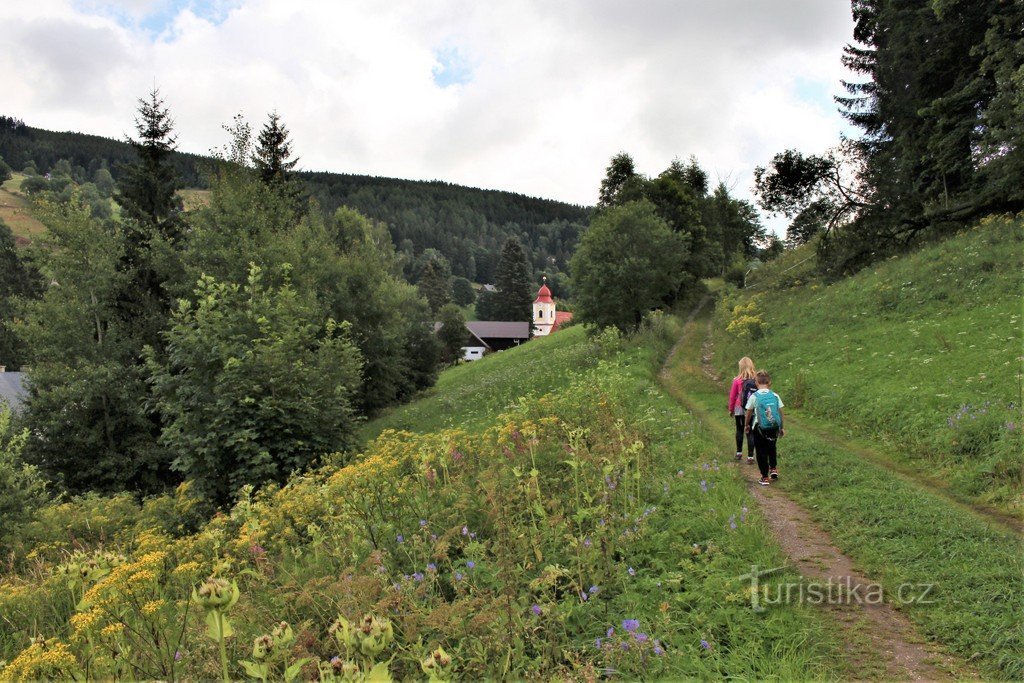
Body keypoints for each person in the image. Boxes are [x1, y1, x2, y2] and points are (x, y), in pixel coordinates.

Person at [745, 370, 785, 486]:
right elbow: (780, 413)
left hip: (759, 428)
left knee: (761, 451)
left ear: (756, 382)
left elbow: (748, 412)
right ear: (769, 382)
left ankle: (764, 477)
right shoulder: (775, 395)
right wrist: (781, 427)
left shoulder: (754, 396)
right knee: (772, 447)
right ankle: (773, 469)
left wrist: (747, 425)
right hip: (773, 426)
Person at [728, 357, 758, 462]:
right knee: (750, 432)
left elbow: (732, 396)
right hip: (752, 408)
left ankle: (739, 453)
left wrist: (731, 409)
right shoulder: (756, 379)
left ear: (740, 367)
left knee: (739, 429)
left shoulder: (737, 380)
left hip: (739, 408)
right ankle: (750, 456)